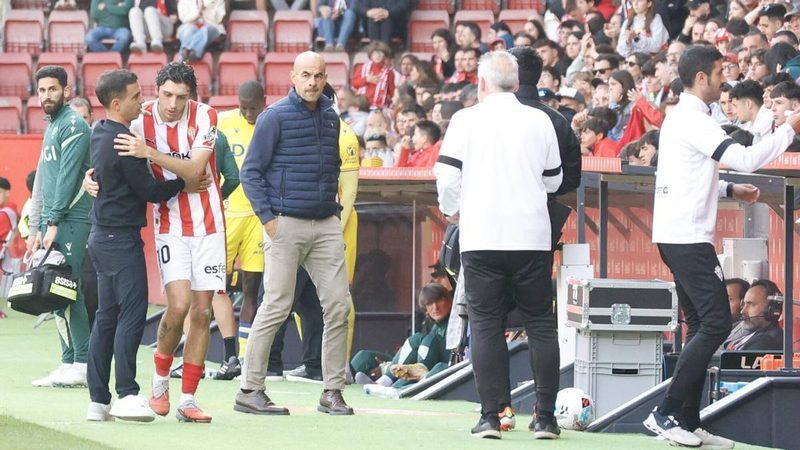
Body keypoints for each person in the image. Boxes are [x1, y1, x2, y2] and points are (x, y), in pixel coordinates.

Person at [645, 45, 800, 448]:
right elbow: (745, 157)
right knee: (715, 324)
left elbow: (687, 173)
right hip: (686, 237)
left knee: (701, 325)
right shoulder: (693, 119)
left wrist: (730, 188)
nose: (725, 81)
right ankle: (665, 412)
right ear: (701, 78)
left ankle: (687, 420)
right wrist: (790, 130)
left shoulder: (684, 117)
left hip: (676, 233)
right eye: (719, 73)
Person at [434, 51, 563, 440]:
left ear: (483, 83)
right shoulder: (539, 119)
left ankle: (492, 416)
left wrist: (452, 211)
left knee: (486, 324)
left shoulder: (465, 119)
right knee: (540, 323)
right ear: (518, 83)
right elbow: (554, 180)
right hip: (531, 237)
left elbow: (446, 178)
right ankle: (545, 417)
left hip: (482, 236)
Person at [235, 52, 353, 416]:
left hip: (325, 224)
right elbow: (250, 172)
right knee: (276, 305)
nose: (312, 82)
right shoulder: (274, 117)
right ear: (292, 77)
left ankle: (331, 390)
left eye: (318, 75)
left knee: (339, 305)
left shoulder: (332, 119)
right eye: (305, 75)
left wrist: (331, 214)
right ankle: (250, 388)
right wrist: (270, 220)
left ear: (325, 77)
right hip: (285, 223)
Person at [107, 61, 222, 423]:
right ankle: (160, 381)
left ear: (192, 96)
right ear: (157, 90)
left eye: (181, 97)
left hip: (210, 223)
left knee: (203, 312)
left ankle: (188, 399)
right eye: (167, 95)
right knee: (179, 305)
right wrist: (90, 178)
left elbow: (196, 171)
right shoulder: (138, 120)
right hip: (170, 223)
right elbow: (108, 155)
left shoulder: (207, 116)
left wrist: (151, 154)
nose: (173, 104)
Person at [85, 69, 189, 423]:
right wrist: (184, 181)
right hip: (120, 239)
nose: (141, 101)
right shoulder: (124, 142)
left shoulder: (99, 131)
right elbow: (149, 191)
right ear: (116, 103)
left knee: (106, 317)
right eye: (134, 96)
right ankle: (127, 394)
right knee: (130, 317)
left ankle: (98, 401)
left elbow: (99, 174)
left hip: (100, 236)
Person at [27, 66, 93, 389]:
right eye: (41, 90)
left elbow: (67, 180)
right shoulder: (52, 126)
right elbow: (46, 182)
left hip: (72, 218)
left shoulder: (74, 125)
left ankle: (82, 362)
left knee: (68, 288)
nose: (46, 96)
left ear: (66, 91)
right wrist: (38, 226)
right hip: (54, 220)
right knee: (55, 289)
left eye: (52, 89)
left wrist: (51, 221)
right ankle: (68, 361)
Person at [214, 81, 266, 377]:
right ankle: (224, 353)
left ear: (264, 102)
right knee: (211, 286)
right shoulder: (223, 122)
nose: (248, 113)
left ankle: (245, 358)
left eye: (254, 108)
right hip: (226, 215)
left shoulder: (271, 124)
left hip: (257, 217)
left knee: (251, 289)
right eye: (244, 107)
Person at [351, 283, 452, 388]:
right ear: (425, 308)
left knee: (422, 340)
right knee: (364, 356)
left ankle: (385, 382)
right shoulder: (427, 321)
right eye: (430, 303)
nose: (435, 307)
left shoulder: (459, 322)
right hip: (407, 361)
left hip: (438, 369)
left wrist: (386, 368)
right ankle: (346, 376)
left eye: (439, 300)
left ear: (449, 301)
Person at [724, 279, 784, 351]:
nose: (742, 311)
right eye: (744, 304)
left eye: (750, 304)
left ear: (771, 309)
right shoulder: (756, 334)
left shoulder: (765, 341)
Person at [350, 41, 395, 110]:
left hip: (379, 107)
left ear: (384, 55)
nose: (378, 56)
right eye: (375, 53)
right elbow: (353, 83)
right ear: (371, 55)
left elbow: (391, 92)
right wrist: (366, 79)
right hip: (361, 106)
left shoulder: (389, 73)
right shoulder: (362, 67)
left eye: (380, 53)